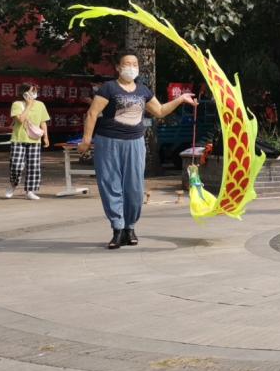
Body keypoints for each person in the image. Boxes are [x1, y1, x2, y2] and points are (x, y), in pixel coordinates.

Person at [78, 52, 196, 249]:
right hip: (108, 142)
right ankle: (117, 229)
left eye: (134, 64)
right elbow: (92, 113)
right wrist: (86, 140)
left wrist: (181, 99)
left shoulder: (143, 90)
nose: (131, 67)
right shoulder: (109, 88)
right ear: (118, 67)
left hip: (134, 142)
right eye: (127, 64)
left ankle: (130, 228)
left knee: (134, 187)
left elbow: (159, 111)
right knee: (111, 185)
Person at [7, 83, 51, 200]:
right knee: (15, 165)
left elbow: (43, 122)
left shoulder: (40, 105)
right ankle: (13, 185)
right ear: (24, 92)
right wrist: (29, 105)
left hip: (35, 140)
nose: (33, 94)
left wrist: (46, 137)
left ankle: (30, 191)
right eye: (31, 91)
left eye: (35, 91)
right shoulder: (17, 104)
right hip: (18, 139)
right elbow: (20, 120)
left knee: (33, 166)